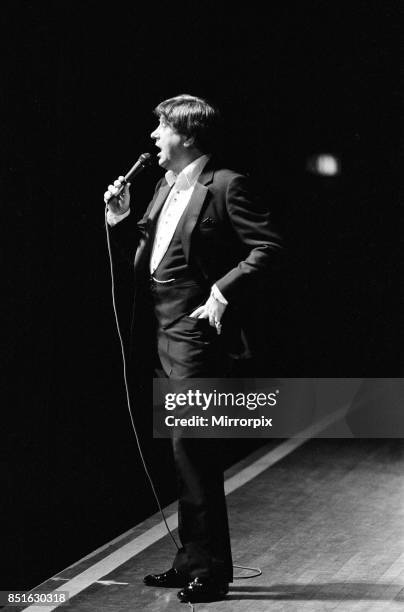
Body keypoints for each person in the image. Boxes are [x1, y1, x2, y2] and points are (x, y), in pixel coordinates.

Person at [104, 94, 282, 603]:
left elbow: (268, 247)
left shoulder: (226, 186)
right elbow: (148, 256)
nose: (154, 138)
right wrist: (121, 219)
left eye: (161, 128)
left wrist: (222, 291)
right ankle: (191, 560)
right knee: (183, 455)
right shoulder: (162, 186)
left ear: (186, 133)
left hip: (195, 336)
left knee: (196, 453)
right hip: (160, 335)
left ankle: (211, 571)